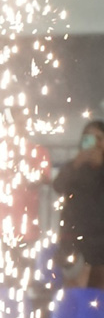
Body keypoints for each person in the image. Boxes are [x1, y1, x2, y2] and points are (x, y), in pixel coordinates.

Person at [56, 120, 104, 288]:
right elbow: (58, 185)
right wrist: (77, 163)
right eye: (89, 138)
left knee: (98, 296)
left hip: (100, 247)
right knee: (73, 295)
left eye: (99, 139)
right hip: (73, 243)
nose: (95, 144)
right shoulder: (74, 167)